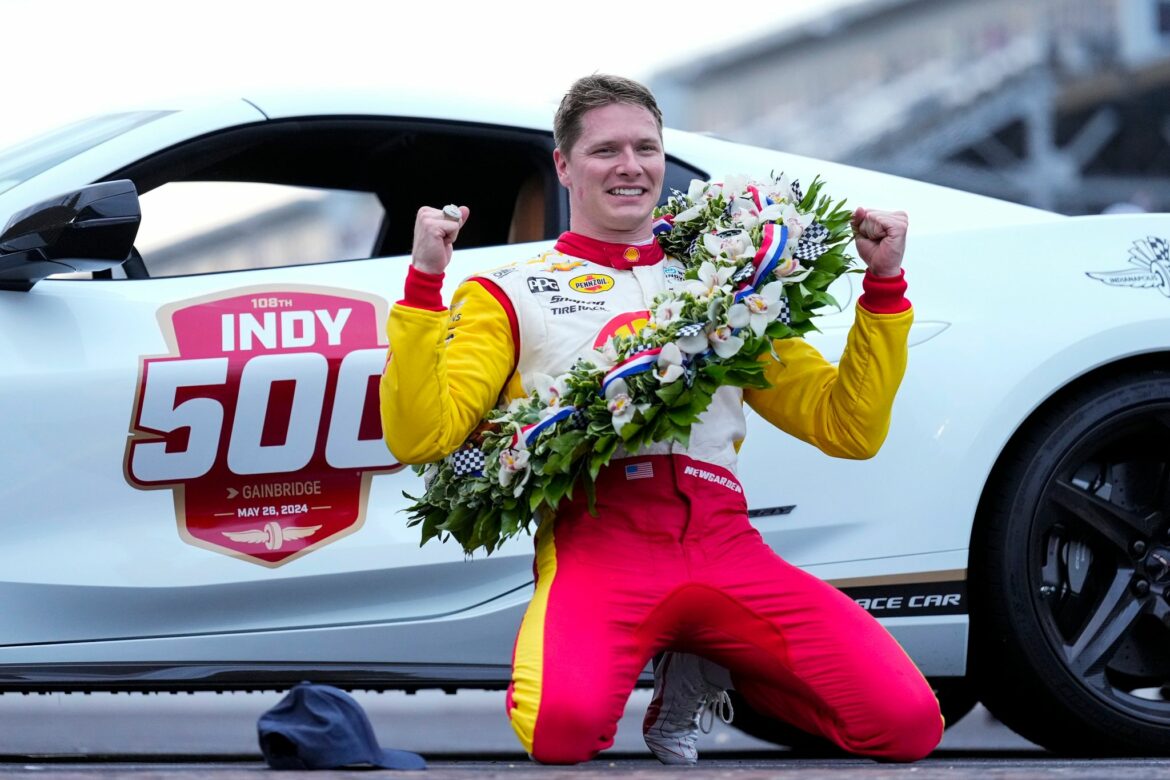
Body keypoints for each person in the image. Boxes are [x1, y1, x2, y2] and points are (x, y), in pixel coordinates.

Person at [380, 74, 943, 765]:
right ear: (564, 165)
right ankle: (685, 652)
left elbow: (848, 427)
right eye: (604, 150)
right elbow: (420, 436)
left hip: (725, 543)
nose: (630, 166)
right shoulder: (509, 292)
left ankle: (712, 661)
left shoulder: (731, 284)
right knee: (562, 737)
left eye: (646, 148)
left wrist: (883, 289)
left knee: (907, 726)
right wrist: (423, 285)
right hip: (599, 545)